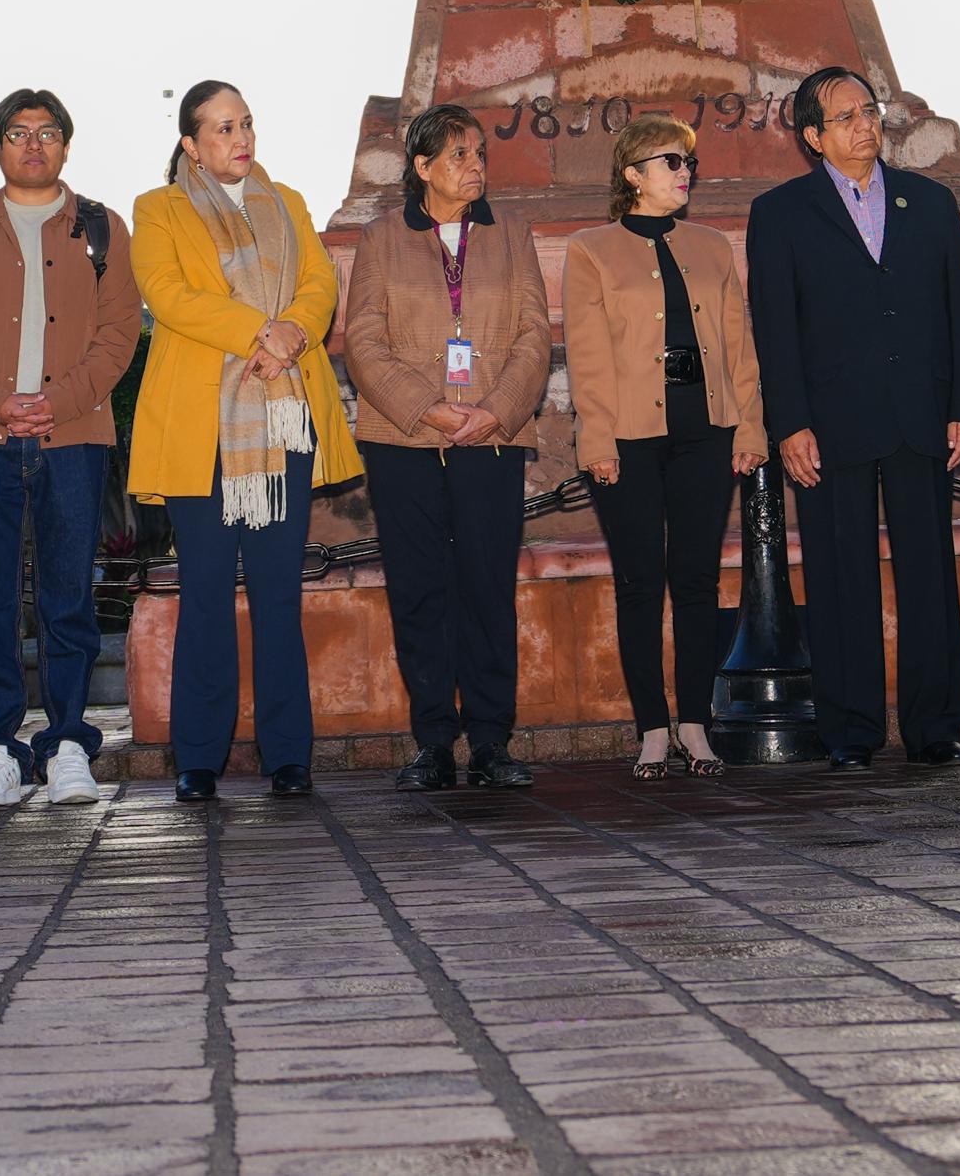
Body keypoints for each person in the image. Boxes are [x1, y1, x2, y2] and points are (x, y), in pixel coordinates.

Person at [745, 66, 960, 770]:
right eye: (845, 116)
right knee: (839, 573)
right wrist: (789, 422)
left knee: (929, 574)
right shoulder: (781, 212)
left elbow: (956, 313)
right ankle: (849, 729)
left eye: (870, 110)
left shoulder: (930, 202)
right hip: (830, 423)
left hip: (921, 414)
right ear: (813, 136)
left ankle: (935, 724)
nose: (865, 124)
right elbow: (775, 328)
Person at [129, 79, 360, 802]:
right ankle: (198, 756)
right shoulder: (157, 208)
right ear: (191, 144)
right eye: (223, 127)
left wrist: (292, 331)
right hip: (203, 428)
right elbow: (167, 294)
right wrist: (258, 330)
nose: (241, 137)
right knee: (203, 593)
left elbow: (319, 281)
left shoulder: (287, 201)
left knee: (276, 594)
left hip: (283, 419)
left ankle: (288, 755)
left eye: (247, 123)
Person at [0, 88, 143, 809]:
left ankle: (70, 742)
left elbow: (120, 333)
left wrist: (61, 399)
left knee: (68, 594)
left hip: (74, 435)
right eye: (18, 133)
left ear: (66, 145)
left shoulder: (102, 228)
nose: (33, 143)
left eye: (48, 132)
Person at [342, 104, 555, 789]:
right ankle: (433, 739)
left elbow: (534, 335)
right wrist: (426, 408)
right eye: (458, 155)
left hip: (492, 436)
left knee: (488, 586)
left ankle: (492, 739)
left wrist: (495, 410)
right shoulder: (381, 238)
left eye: (480, 154)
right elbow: (364, 342)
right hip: (405, 438)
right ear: (423, 167)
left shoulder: (512, 233)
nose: (475, 167)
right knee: (420, 588)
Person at [562, 111, 765, 776]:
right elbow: (587, 357)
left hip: (706, 434)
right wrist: (596, 437)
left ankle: (696, 725)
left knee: (699, 580)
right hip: (627, 440)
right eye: (671, 161)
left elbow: (739, 344)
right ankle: (652, 728)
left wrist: (752, 424)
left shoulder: (711, 244)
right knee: (641, 582)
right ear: (633, 174)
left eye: (688, 162)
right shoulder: (592, 248)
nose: (686, 172)